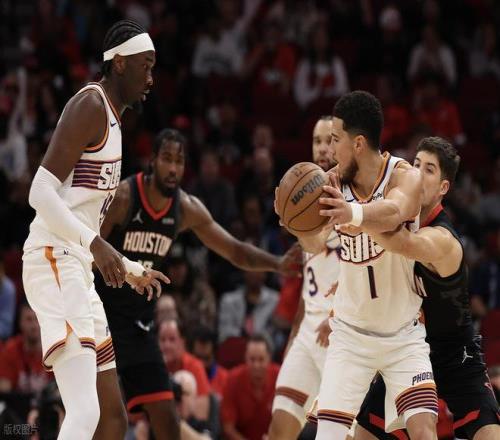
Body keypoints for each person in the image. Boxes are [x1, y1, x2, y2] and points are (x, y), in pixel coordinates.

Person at [98, 127, 300, 439]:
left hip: (139, 326)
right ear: (152, 161)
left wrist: (278, 263)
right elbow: (87, 246)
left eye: (179, 161)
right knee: (110, 421)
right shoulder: (124, 198)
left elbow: (234, 249)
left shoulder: (185, 208)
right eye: (167, 159)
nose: (173, 168)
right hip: (102, 319)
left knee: (168, 420)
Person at [21, 20, 168, 440]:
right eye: (145, 66)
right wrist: (97, 245)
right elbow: (39, 191)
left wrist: (130, 268)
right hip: (53, 257)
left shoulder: (116, 124)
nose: (151, 79)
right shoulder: (90, 104)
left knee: (111, 417)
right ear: (119, 63)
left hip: (77, 266)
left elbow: (84, 219)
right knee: (84, 413)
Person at [353, 137, 500, 440]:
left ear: (443, 187)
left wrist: (354, 214)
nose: (417, 174)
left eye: (429, 169)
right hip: (407, 349)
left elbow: (404, 244)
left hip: (456, 355)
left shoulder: (443, 239)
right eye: (416, 164)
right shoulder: (396, 213)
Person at [315, 91, 438, 439]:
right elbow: (312, 243)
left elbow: (395, 211)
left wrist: (351, 213)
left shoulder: (404, 176)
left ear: (357, 143)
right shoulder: (332, 182)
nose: (329, 150)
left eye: (335, 140)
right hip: (350, 336)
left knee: (425, 431)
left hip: (403, 336)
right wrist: (300, 224)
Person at [268, 116, 341, 439]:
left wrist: (337, 315)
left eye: (330, 140)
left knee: (339, 433)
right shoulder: (304, 202)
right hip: (308, 332)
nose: (322, 148)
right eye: (317, 141)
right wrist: (293, 340)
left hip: (341, 334)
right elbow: (308, 288)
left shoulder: (352, 197)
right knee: (279, 427)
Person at [220, 334, 280, 440]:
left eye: (261, 360)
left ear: (269, 359)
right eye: (252, 359)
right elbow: (228, 428)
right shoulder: (233, 379)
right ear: (245, 358)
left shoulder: (280, 377)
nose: (256, 365)